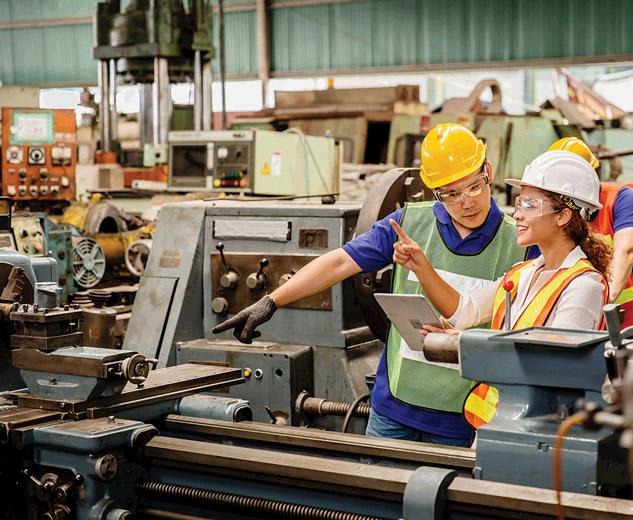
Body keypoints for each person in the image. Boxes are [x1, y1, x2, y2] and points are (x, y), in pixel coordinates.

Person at [212, 123, 526, 447]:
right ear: (436, 192)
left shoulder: (520, 242)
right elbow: (340, 262)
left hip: (462, 416)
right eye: (452, 193)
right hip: (393, 411)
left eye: (474, 187)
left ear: (488, 172)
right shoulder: (407, 223)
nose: (467, 202)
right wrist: (271, 301)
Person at [392, 150, 612, 429]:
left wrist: (465, 344)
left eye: (530, 205)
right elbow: (464, 310)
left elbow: (556, 367)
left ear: (563, 216)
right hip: (502, 422)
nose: (517, 215)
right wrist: (421, 267)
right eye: (519, 203)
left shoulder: (583, 286)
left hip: (540, 430)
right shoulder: (522, 274)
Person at [540, 138, 633, 336]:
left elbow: (626, 251)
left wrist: (601, 302)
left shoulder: (622, 199)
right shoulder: (557, 213)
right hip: (582, 324)